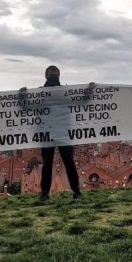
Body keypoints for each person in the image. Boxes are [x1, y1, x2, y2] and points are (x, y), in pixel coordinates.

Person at [19, 65, 92, 202]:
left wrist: (89, 91)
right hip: (55, 132)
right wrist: (22, 96)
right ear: (50, 76)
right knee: (59, 163)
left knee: (59, 163)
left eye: (55, 73)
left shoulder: (53, 93)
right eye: (53, 73)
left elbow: (27, 107)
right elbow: (82, 101)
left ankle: (50, 194)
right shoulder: (60, 92)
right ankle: (67, 193)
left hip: (55, 132)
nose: (53, 75)